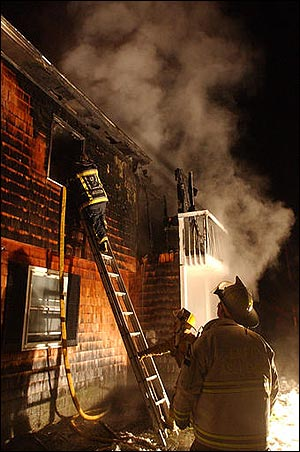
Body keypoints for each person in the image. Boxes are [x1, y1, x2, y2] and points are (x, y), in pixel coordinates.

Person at [171, 275, 279, 451]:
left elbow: (187, 387)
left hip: (212, 444)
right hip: (257, 445)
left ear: (221, 310)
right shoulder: (262, 345)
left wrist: (180, 418)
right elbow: (273, 392)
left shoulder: (206, 342)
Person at [69, 156, 109, 253]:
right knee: (100, 217)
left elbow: (73, 184)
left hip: (92, 201)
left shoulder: (79, 172)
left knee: (96, 223)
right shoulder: (94, 168)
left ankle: (103, 242)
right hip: (102, 199)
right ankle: (104, 224)